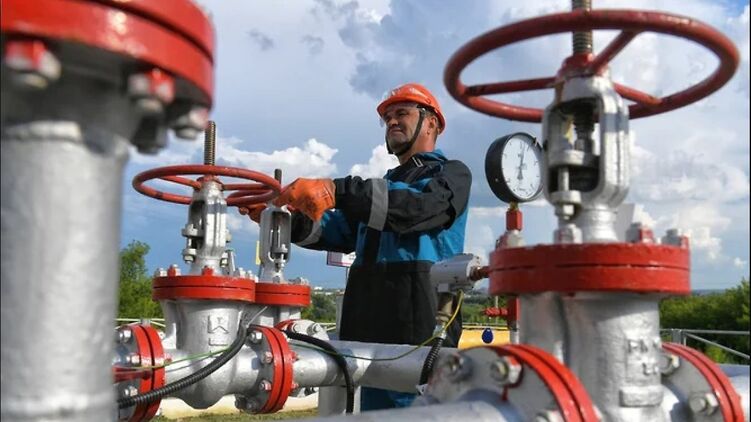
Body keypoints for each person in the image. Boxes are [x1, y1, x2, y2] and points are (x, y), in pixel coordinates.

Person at [243, 82, 472, 410]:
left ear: (432, 123)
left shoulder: (451, 175)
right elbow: (336, 232)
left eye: (402, 113)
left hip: (419, 330)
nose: (392, 121)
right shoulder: (384, 188)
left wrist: (337, 191)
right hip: (367, 329)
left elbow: (418, 209)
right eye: (387, 118)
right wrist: (281, 219)